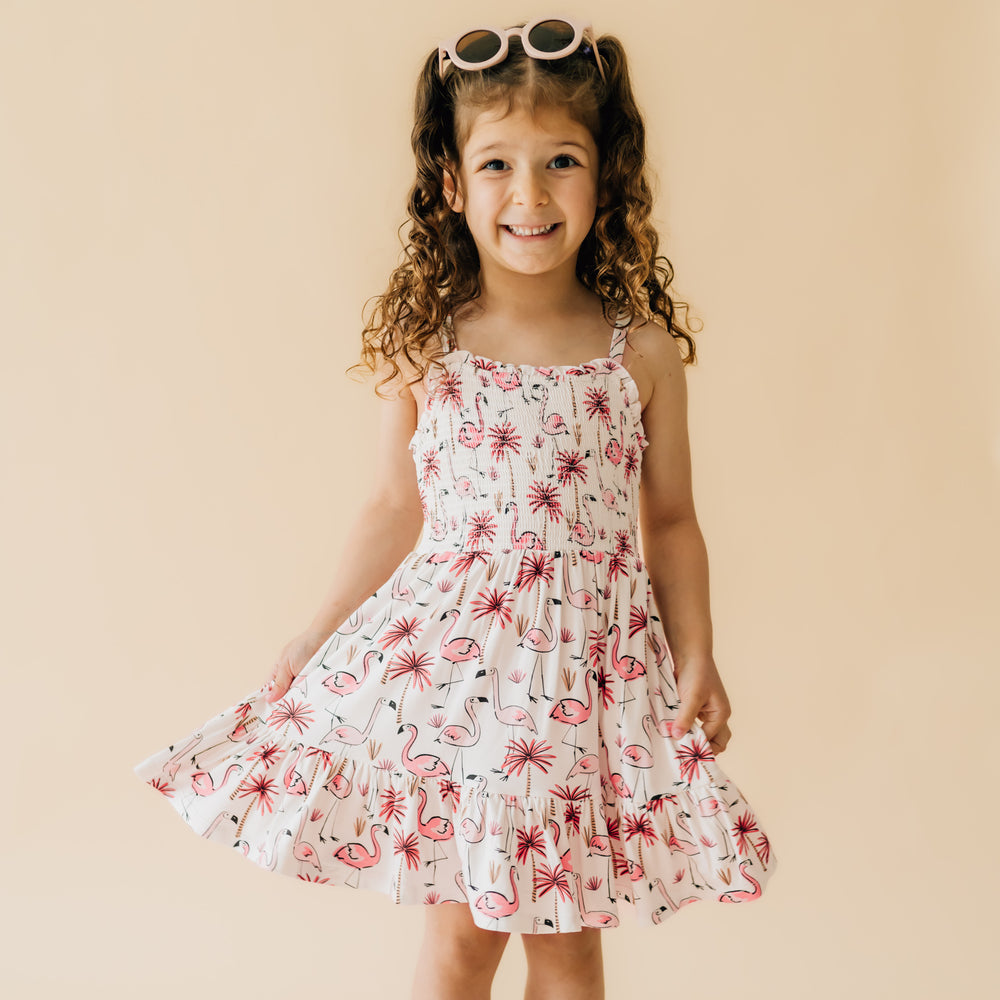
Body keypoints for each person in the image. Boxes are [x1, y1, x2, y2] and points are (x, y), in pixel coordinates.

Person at [134, 17, 778, 1000]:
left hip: (586, 684)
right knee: (466, 943)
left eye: (561, 160)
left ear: (607, 176)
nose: (528, 194)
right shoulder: (433, 345)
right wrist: (317, 629)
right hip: (466, 691)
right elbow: (394, 503)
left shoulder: (635, 354)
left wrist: (698, 650)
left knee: (568, 947)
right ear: (451, 183)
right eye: (496, 166)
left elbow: (674, 520)